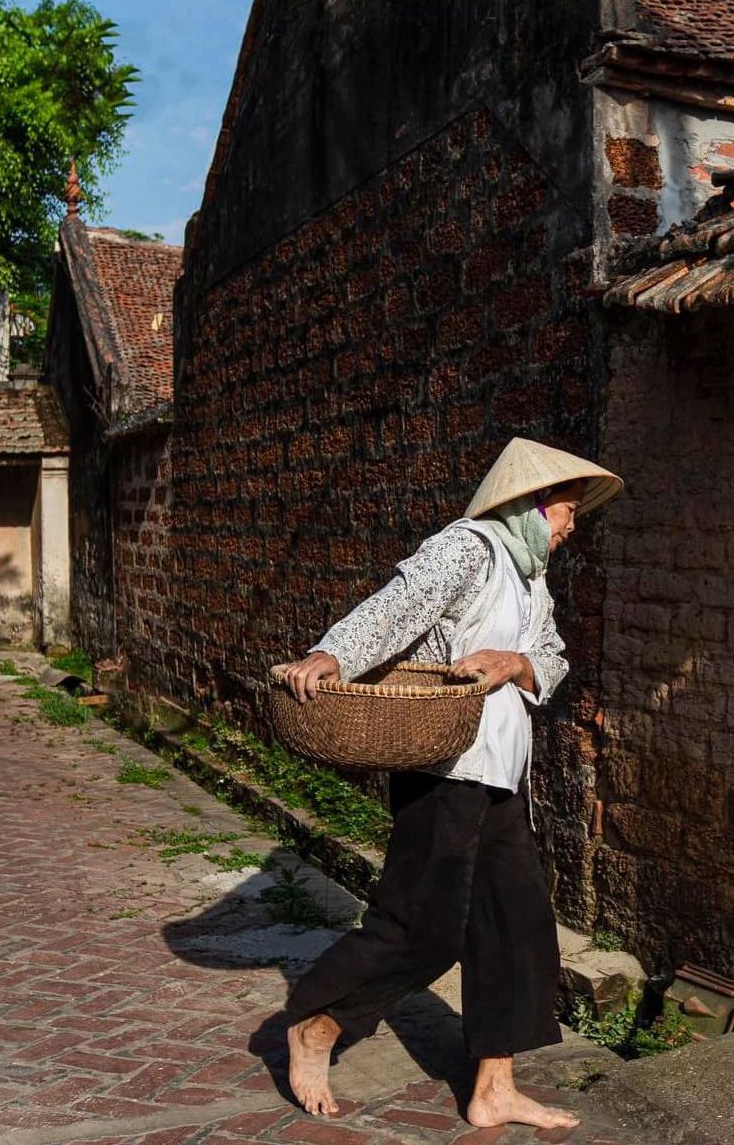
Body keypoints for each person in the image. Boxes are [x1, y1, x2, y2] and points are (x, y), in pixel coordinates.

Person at [278, 437, 623, 1130]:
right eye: (566, 511)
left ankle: (494, 1087)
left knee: (517, 927)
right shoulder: (467, 548)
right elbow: (397, 606)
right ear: (533, 504)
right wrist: (331, 653)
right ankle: (317, 1024)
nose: (571, 526)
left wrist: (514, 663)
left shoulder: (530, 577)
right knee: (422, 929)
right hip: (444, 771)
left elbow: (551, 659)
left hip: (501, 775)